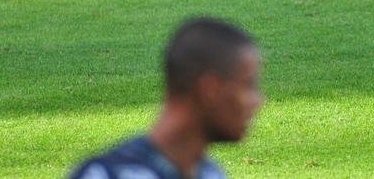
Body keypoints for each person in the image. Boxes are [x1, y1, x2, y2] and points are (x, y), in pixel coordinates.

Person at [67, 18, 263, 178]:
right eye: (248, 85)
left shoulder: (211, 174)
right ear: (209, 90)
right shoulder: (106, 175)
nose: (258, 101)